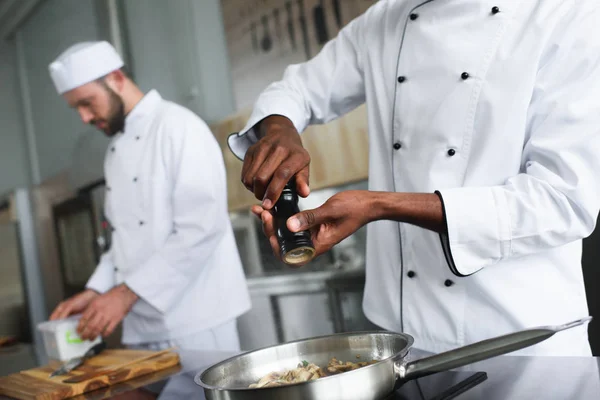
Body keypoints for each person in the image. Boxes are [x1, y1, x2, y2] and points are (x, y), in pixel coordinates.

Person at [228, 0, 600, 356]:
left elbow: (562, 201)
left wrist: (378, 205)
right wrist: (279, 129)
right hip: (400, 341)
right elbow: (296, 89)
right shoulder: (386, 19)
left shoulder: (568, 14)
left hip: (518, 342)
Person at [48, 41, 251, 354]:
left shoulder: (179, 127)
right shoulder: (115, 153)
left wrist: (123, 295)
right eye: (77, 108)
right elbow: (125, 239)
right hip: (141, 328)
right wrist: (96, 289)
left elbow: (201, 227)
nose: (84, 118)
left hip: (196, 322)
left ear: (116, 78)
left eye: (87, 103)